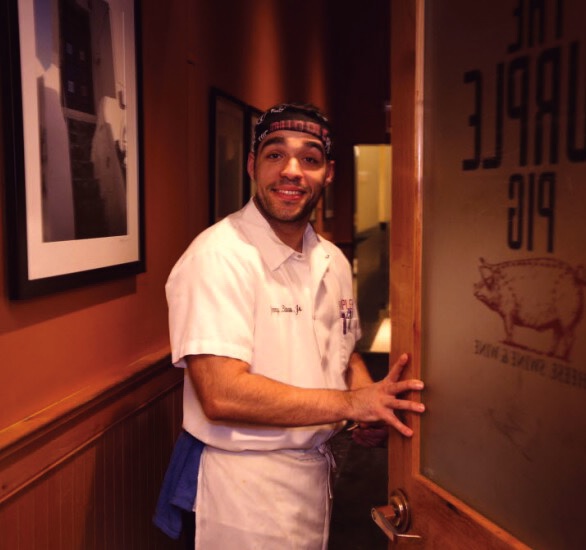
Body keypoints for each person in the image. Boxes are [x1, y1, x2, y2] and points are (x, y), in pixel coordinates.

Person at [162, 103, 425, 549]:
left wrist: (370, 404)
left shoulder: (333, 260)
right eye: (275, 154)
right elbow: (221, 394)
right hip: (240, 491)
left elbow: (343, 353)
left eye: (310, 158)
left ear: (329, 173)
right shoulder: (217, 257)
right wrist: (351, 403)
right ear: (252, 165)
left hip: (314, 474)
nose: (291, 171)